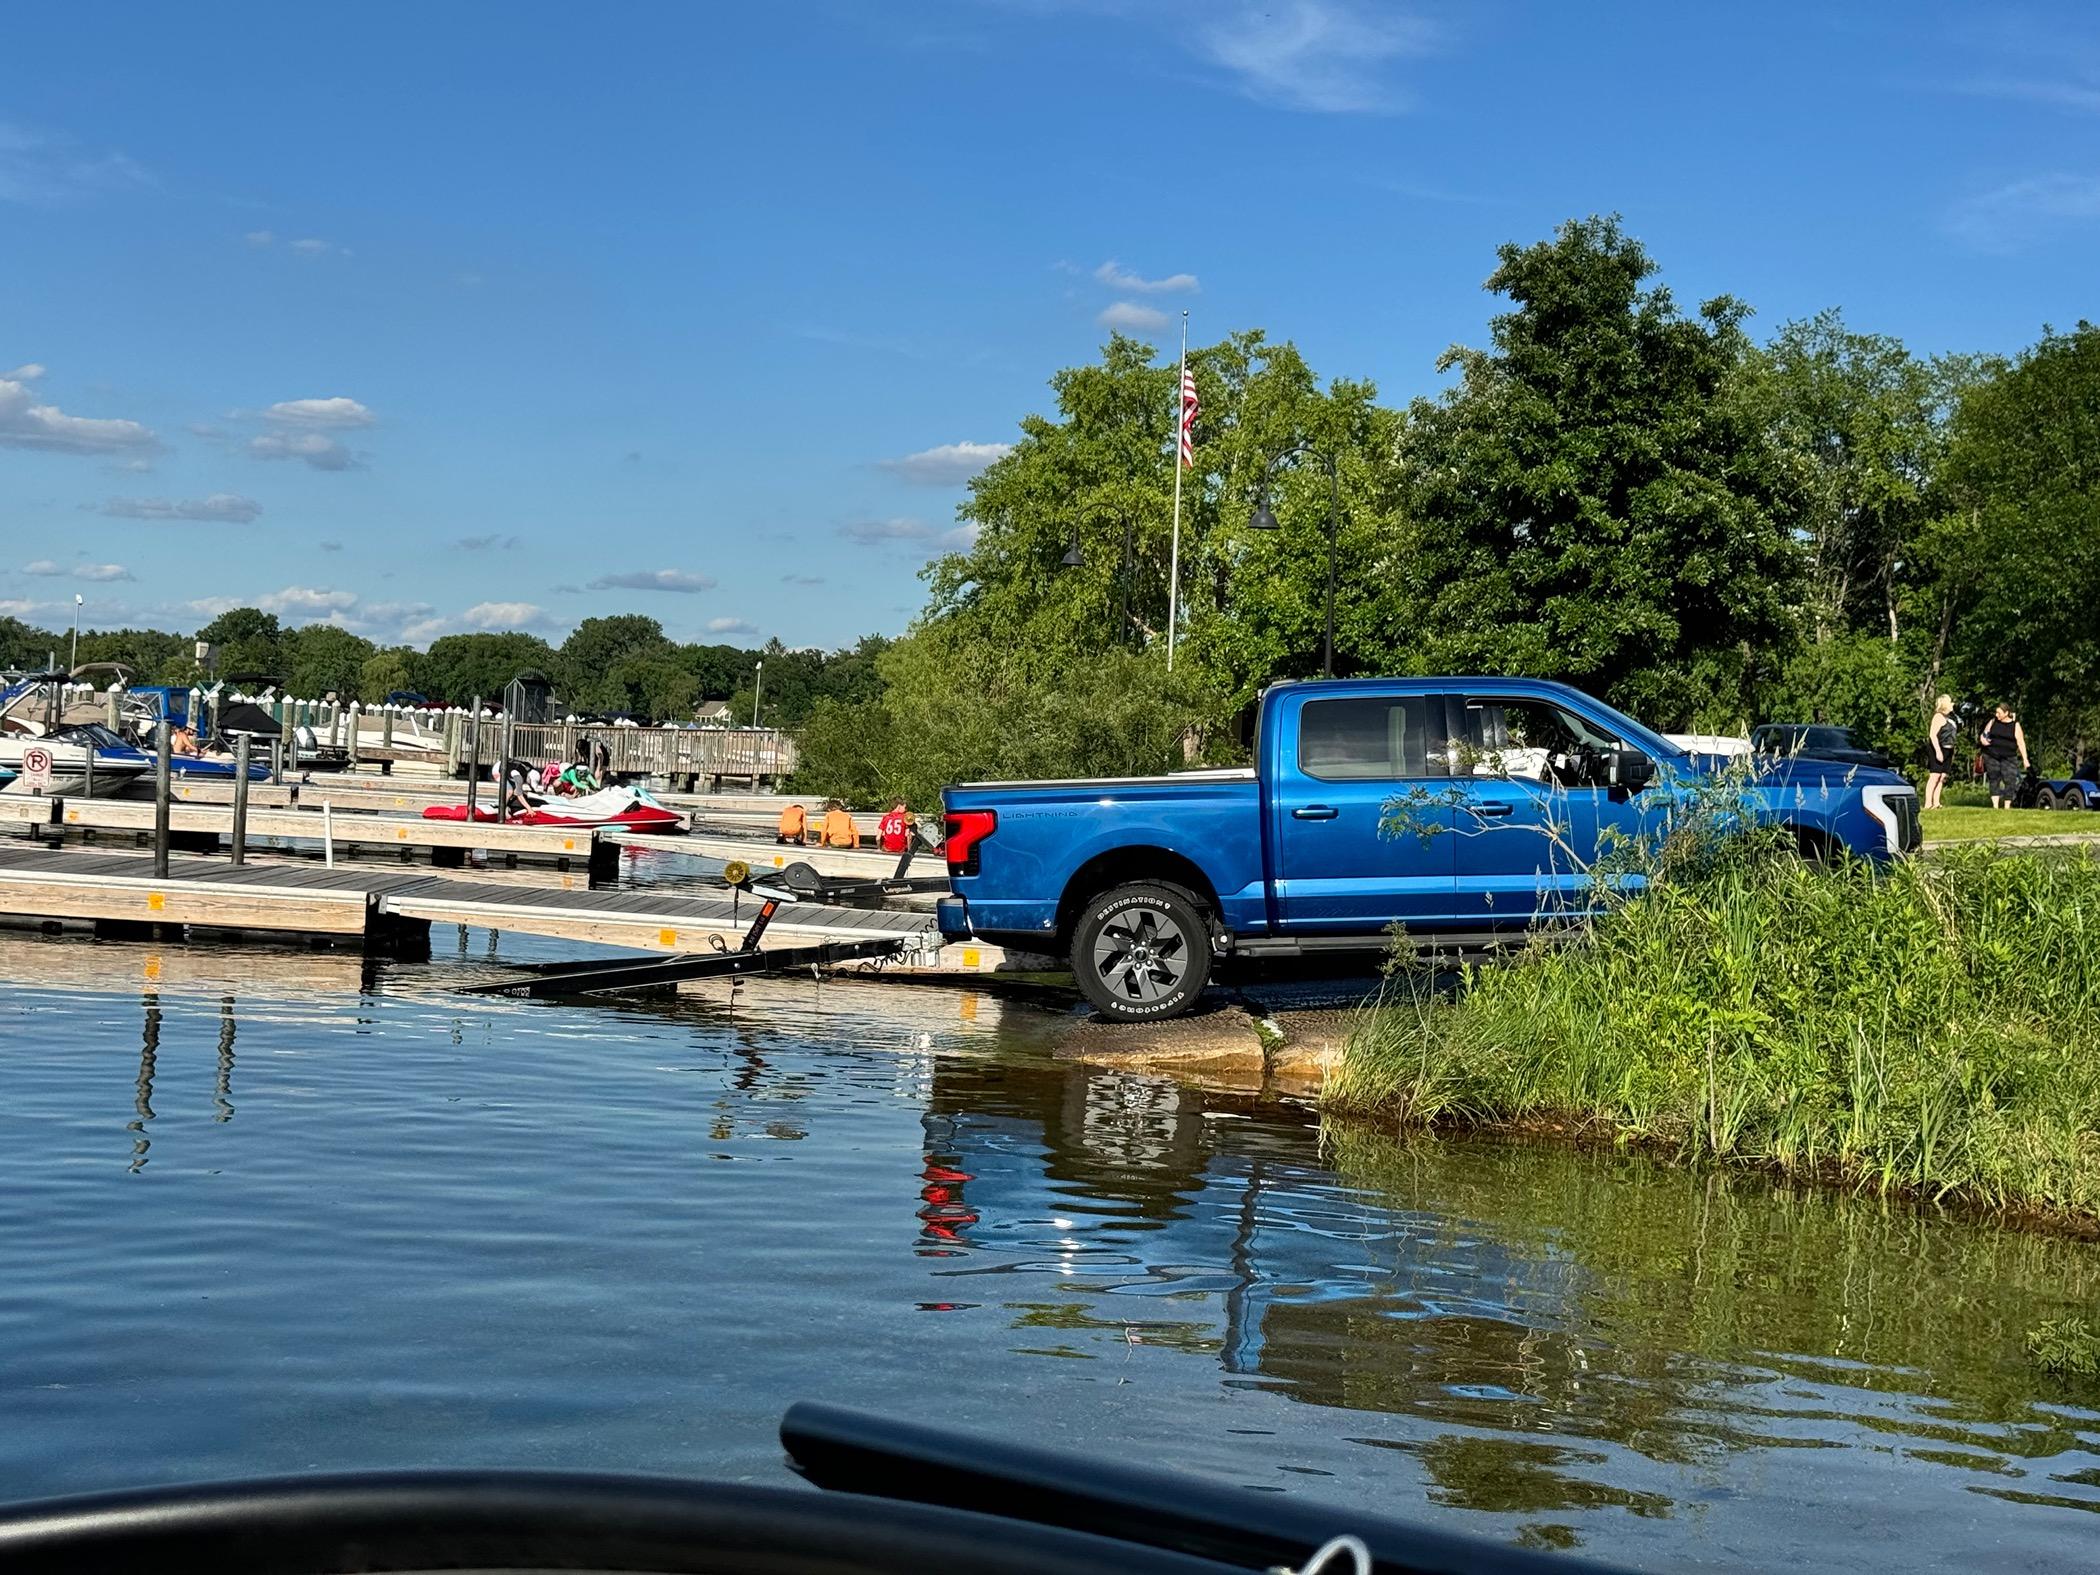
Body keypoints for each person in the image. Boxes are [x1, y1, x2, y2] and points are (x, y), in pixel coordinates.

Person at [1978, 702, 2029, 809]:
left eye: (1999, 713)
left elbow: (2020, 742)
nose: (1997, 715)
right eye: (1996, 712)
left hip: (2009, 757)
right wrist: (1983, 740)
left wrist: (2025, 759)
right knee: (1994, 779)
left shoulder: (2015, 725)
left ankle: (2007, 806)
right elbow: (1984, 734)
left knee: (2010, 780)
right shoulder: (1993, 722)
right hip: (1992, 755)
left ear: (2006, 713)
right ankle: (1995, 806)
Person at [1923, 695, 1957, 810]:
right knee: (1935, 775)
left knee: (1942, 776)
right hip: (1938, 748)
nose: (1953, 704)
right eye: (1951, 702)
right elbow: (1932, 735)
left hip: (1949, 749)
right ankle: (1928, 803)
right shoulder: (1938, 717)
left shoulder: (1951, 719)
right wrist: (1938, 751)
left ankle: (1936, 802)